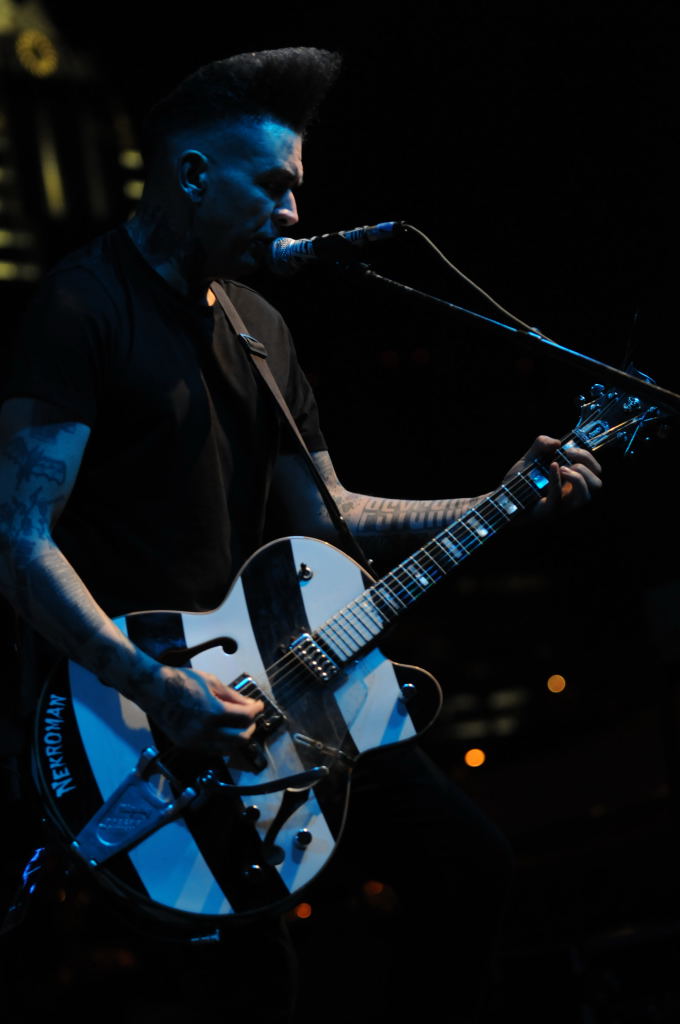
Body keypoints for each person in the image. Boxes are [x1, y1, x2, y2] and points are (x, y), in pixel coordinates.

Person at [0, 48, 601, 1022]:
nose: (290, 214)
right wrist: (154, 684)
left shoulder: (260, 329)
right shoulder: (82, 306)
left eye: (297, 189)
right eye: (272, 186)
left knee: (466, 865)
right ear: (194, 175)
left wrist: (498, 499)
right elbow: (20, 539)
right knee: (249, 985)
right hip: (137, 719)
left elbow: (334, 515)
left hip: (280, 682)